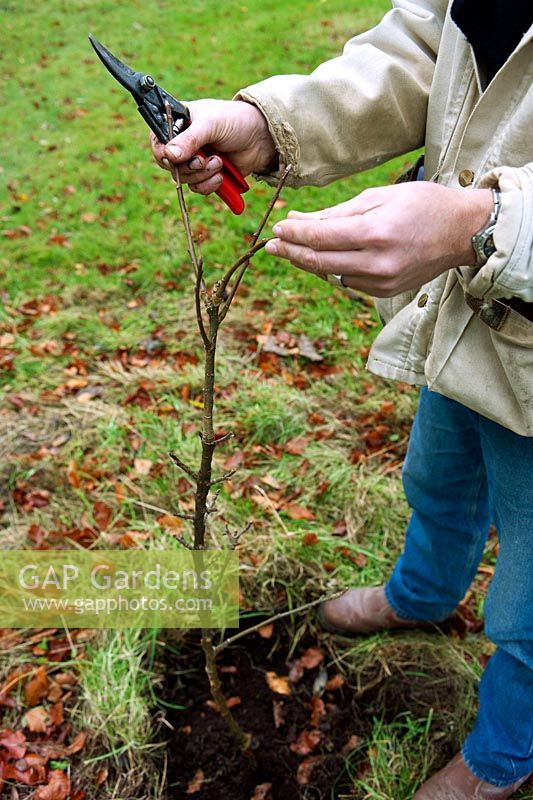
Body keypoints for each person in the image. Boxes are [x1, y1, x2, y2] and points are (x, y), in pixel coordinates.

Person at [151, 1, 533, 797]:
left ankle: (500, 757)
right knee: (438, 479)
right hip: (466, 312)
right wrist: (270, 122)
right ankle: (419, 596)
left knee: (528, 602)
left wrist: (489, 223)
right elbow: (432, 40)